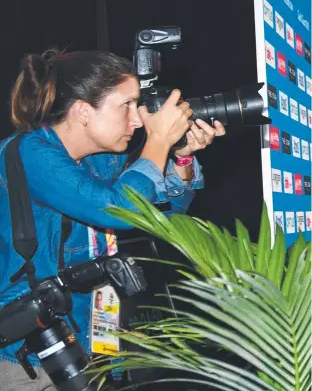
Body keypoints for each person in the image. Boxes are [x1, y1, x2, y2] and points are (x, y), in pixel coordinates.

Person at [0, 49, 225, 390]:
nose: (137, 121)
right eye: (127, 106)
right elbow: (115, 208)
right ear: (82, 112)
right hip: (30, 359)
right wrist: (158, 140)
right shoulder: (30, 153)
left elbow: (158, 215)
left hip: (92, 341)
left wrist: (179, 157)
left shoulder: (100, 160)